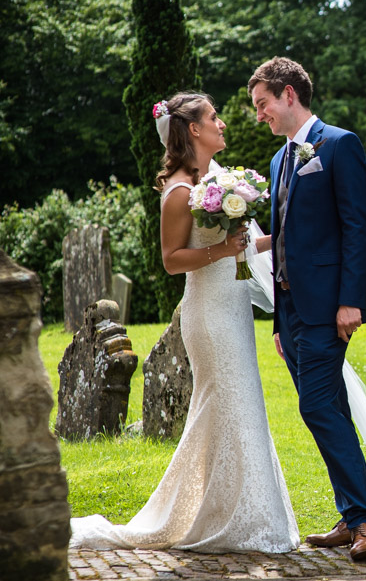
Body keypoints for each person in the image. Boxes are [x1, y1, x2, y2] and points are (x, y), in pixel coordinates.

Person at [70, 92, 300, 553]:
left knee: (235, 409)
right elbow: (172, 260)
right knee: (230, 404)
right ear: (193, 129)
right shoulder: (178, 191)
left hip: (233, 308)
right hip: (209, 315)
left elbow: (243, 246)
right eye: (214, 117)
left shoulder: (217, 181)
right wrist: (222, 250)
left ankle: (236, 515)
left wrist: (289, 233)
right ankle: (234, 520)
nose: (222, 123)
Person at [248, 57, 366, 561]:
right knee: (330, 411)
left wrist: (351, 300)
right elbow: (285, 238)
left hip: (330, 307)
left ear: (288, 94)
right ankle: (351, 517)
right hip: (292, 313)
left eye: (262, 103)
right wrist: (278, 320)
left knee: (317, 407)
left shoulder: (340, 144)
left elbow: (356, 227)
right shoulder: (278, 160)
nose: (259, 114)